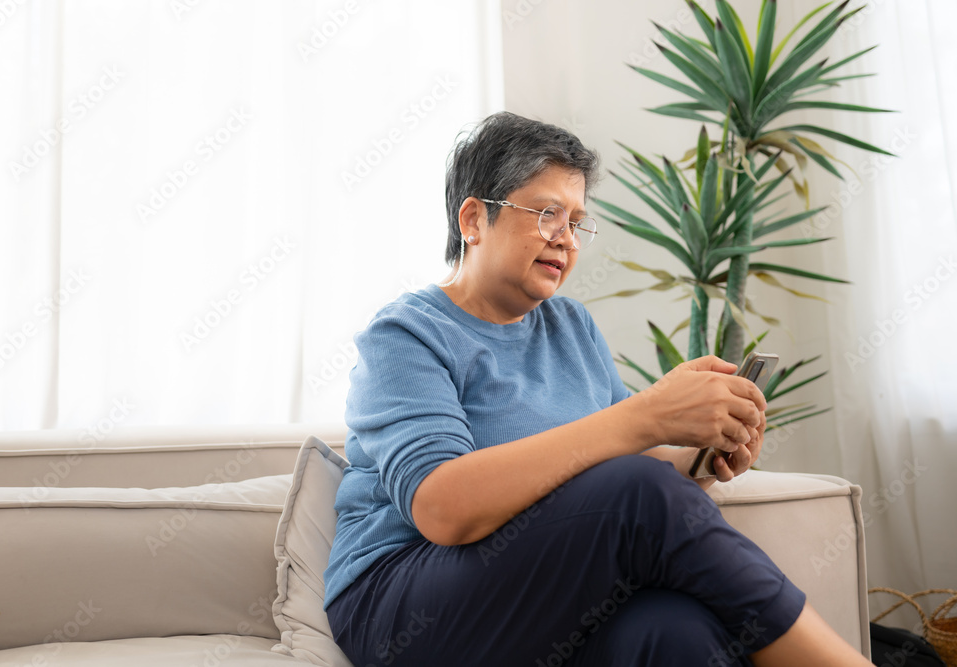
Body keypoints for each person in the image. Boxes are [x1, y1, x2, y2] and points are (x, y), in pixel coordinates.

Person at [324, 111, 871, 666]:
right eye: (545, 214)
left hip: (531, 585)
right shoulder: (406, 334)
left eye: (577, 221)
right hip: (399, 601)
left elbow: (617, 474)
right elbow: (442, 509)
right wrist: (645, 416)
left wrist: (698, 459)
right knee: (636, 490)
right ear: (474, 219)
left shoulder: (571, 327)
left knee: (674, 631)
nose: (565, 240)